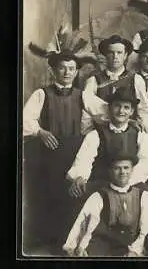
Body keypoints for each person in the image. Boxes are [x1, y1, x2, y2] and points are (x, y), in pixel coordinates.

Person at [23, 52, 90, 251]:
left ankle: (65, 241)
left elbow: (104, 111)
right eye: (62, 67)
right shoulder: (42, 93)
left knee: (69, 196)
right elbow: (25, 119)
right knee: (45, 194)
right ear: (53, 71)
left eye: (71, 68)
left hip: (72, 152)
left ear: (76, 71)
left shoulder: (82, 95)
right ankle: (45, 241)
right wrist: (40, 131)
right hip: (47, 154)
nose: (67, 72)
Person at [66, 88, 148, 200]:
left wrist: (126, 183)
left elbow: (145, 161)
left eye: (126, 107)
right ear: (110, 108)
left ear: (132, 111)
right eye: (117, 106)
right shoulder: (96, 134)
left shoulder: (140, 134)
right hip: (103, 183)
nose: (121, 111)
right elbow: (84, 159)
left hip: (132, 182)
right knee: (78, 194)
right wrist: (80, 177)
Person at [62, 153, 148, 257]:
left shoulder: (145, 197)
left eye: (126, 168)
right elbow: (84, 224)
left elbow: (147, 230)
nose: (122, 172)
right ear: (110, 171)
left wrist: (135, 251)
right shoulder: (99, 196)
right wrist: (79, 247)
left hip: (131, 246)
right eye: (117, 168)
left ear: (132, 170)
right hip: (103, 246)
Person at [81, 35, 148, 134]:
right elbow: (87, 114)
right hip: (102, 133)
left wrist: (145, 124)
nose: (115, 56)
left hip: (129, 133)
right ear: (106, 55)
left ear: (125, 56)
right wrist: (88, 134)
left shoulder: (136, 79)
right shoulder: (94, 80)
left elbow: (144, 109)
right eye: (111, 53)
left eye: (119, 53)